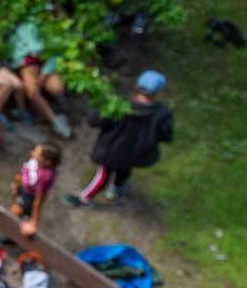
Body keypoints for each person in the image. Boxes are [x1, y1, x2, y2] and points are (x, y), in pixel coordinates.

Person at [67, 71, 174, 207]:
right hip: (137, 152)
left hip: (111, 150)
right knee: (125, 168)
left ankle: (84, 198)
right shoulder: (162, 113)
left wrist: (100, 106)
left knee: (103, 174)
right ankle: (116, 188)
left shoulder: (117, 105)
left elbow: (94, 121)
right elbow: (165, 135)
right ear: (157, 91)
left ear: (137, 86)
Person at [6, 16, 73, 139]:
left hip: (43, 62)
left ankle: (59, 109)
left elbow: (51, 53)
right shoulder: (8, 34)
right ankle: (55, 121)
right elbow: (14, 59)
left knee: (57, 88)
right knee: (33, 92)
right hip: (28, 64)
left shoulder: (33, 25)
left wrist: (44, 74)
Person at [9, 143, 60, 238]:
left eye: (36, 153)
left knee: (15, 213)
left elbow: (39, 199)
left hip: (28, 197)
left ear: (47, 162)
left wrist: (34, 221)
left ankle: (11, 236)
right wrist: (17, 184)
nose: (32, 153)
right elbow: (24, 171)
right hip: (22, 190)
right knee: (14, 210)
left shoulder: (44, 177)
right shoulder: (35, 162)